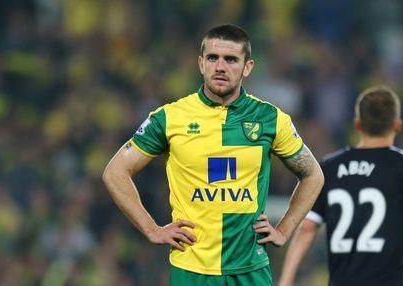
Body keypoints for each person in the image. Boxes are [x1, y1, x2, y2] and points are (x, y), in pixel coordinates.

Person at [103, 24, 324, 286]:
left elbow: (313, 175)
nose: (220, 66)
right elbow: (115, 172)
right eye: (212, 58)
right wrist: (151, 229)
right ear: (201, 63)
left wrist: (285, 230)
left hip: (250, 268)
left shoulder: (270, 119)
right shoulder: (170, 118)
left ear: (248, 67)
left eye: (231, 59)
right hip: (192, 269)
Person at [278, 86, 403, 286]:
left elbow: (307, 227)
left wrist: (286, 280)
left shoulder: (330, 167)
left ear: (357, 125)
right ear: (397, 125)